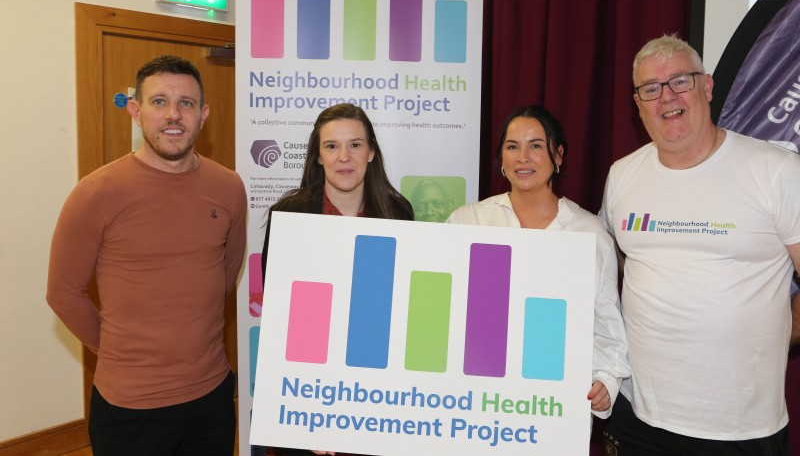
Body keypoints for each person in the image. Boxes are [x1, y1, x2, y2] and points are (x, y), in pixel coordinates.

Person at [599, 34, 800, 455]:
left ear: (706, 87)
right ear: (638, 104)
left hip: (741, 427)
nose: (666, 97)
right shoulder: (623, 175)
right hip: (640, 415)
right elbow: (612, 267)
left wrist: (786, 332)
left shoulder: (777, 171)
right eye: (650, 89)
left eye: (680, 81)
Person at [47, 55, 247, 456]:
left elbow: (226, 272)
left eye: (186, 103)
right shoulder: (96, 193)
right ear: (136, 112)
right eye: (159, 102)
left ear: (203, 115)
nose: (173, 115)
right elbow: (63, 293)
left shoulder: (229, 187)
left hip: (211, 397)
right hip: (129, 406)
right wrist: (121, 352)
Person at [446, 105, 631, 421]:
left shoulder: (590, 233)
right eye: (512, 147)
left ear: (558, 155)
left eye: (535, 146)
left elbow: (607, 327)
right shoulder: (468, 221)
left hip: (549, 412)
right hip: (475, 404)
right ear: (501, 159)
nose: (522, 157)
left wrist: (606, 381)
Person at [256, 103, 413, 456]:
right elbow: (282, 319)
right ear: (318, 156)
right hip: (306, 393)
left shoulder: (398, 214)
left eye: (355, 145)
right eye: (332, 146)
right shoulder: (289, 215)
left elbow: (398, 313)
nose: (345, 157)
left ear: (371, 152)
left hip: (376, 395)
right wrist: (314, 415)